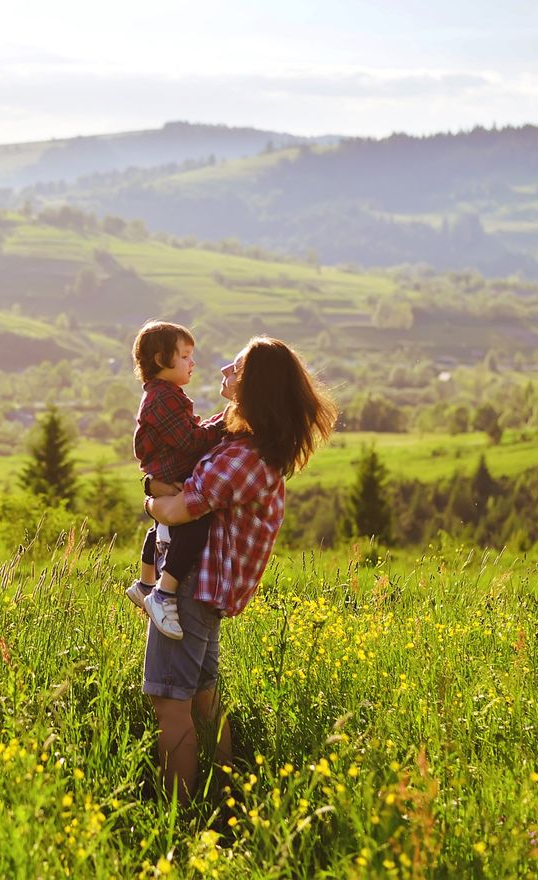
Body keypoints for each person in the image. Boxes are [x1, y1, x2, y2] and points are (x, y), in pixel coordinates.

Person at [142, 336, 336, 801]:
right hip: (200, 590)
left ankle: (181, 816)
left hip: (190, 589)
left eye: (240, 366)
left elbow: (179, 509)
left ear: (258, 386)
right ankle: (226, 796)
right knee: (204, 702)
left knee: (170, 703)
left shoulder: (248, 459)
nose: (226, 368)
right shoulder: (239, 438)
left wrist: (151, 497)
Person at [127, 320, 227, 640]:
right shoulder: (166, 398)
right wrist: (224, 426)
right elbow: (189, 442)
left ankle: (144, 583)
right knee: (195, 521)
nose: (191, 362)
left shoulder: (164, 395)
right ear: (161, 361)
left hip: (164, 473)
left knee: (160, 527)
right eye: (184, 356)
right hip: (173, 471)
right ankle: (164, 591)